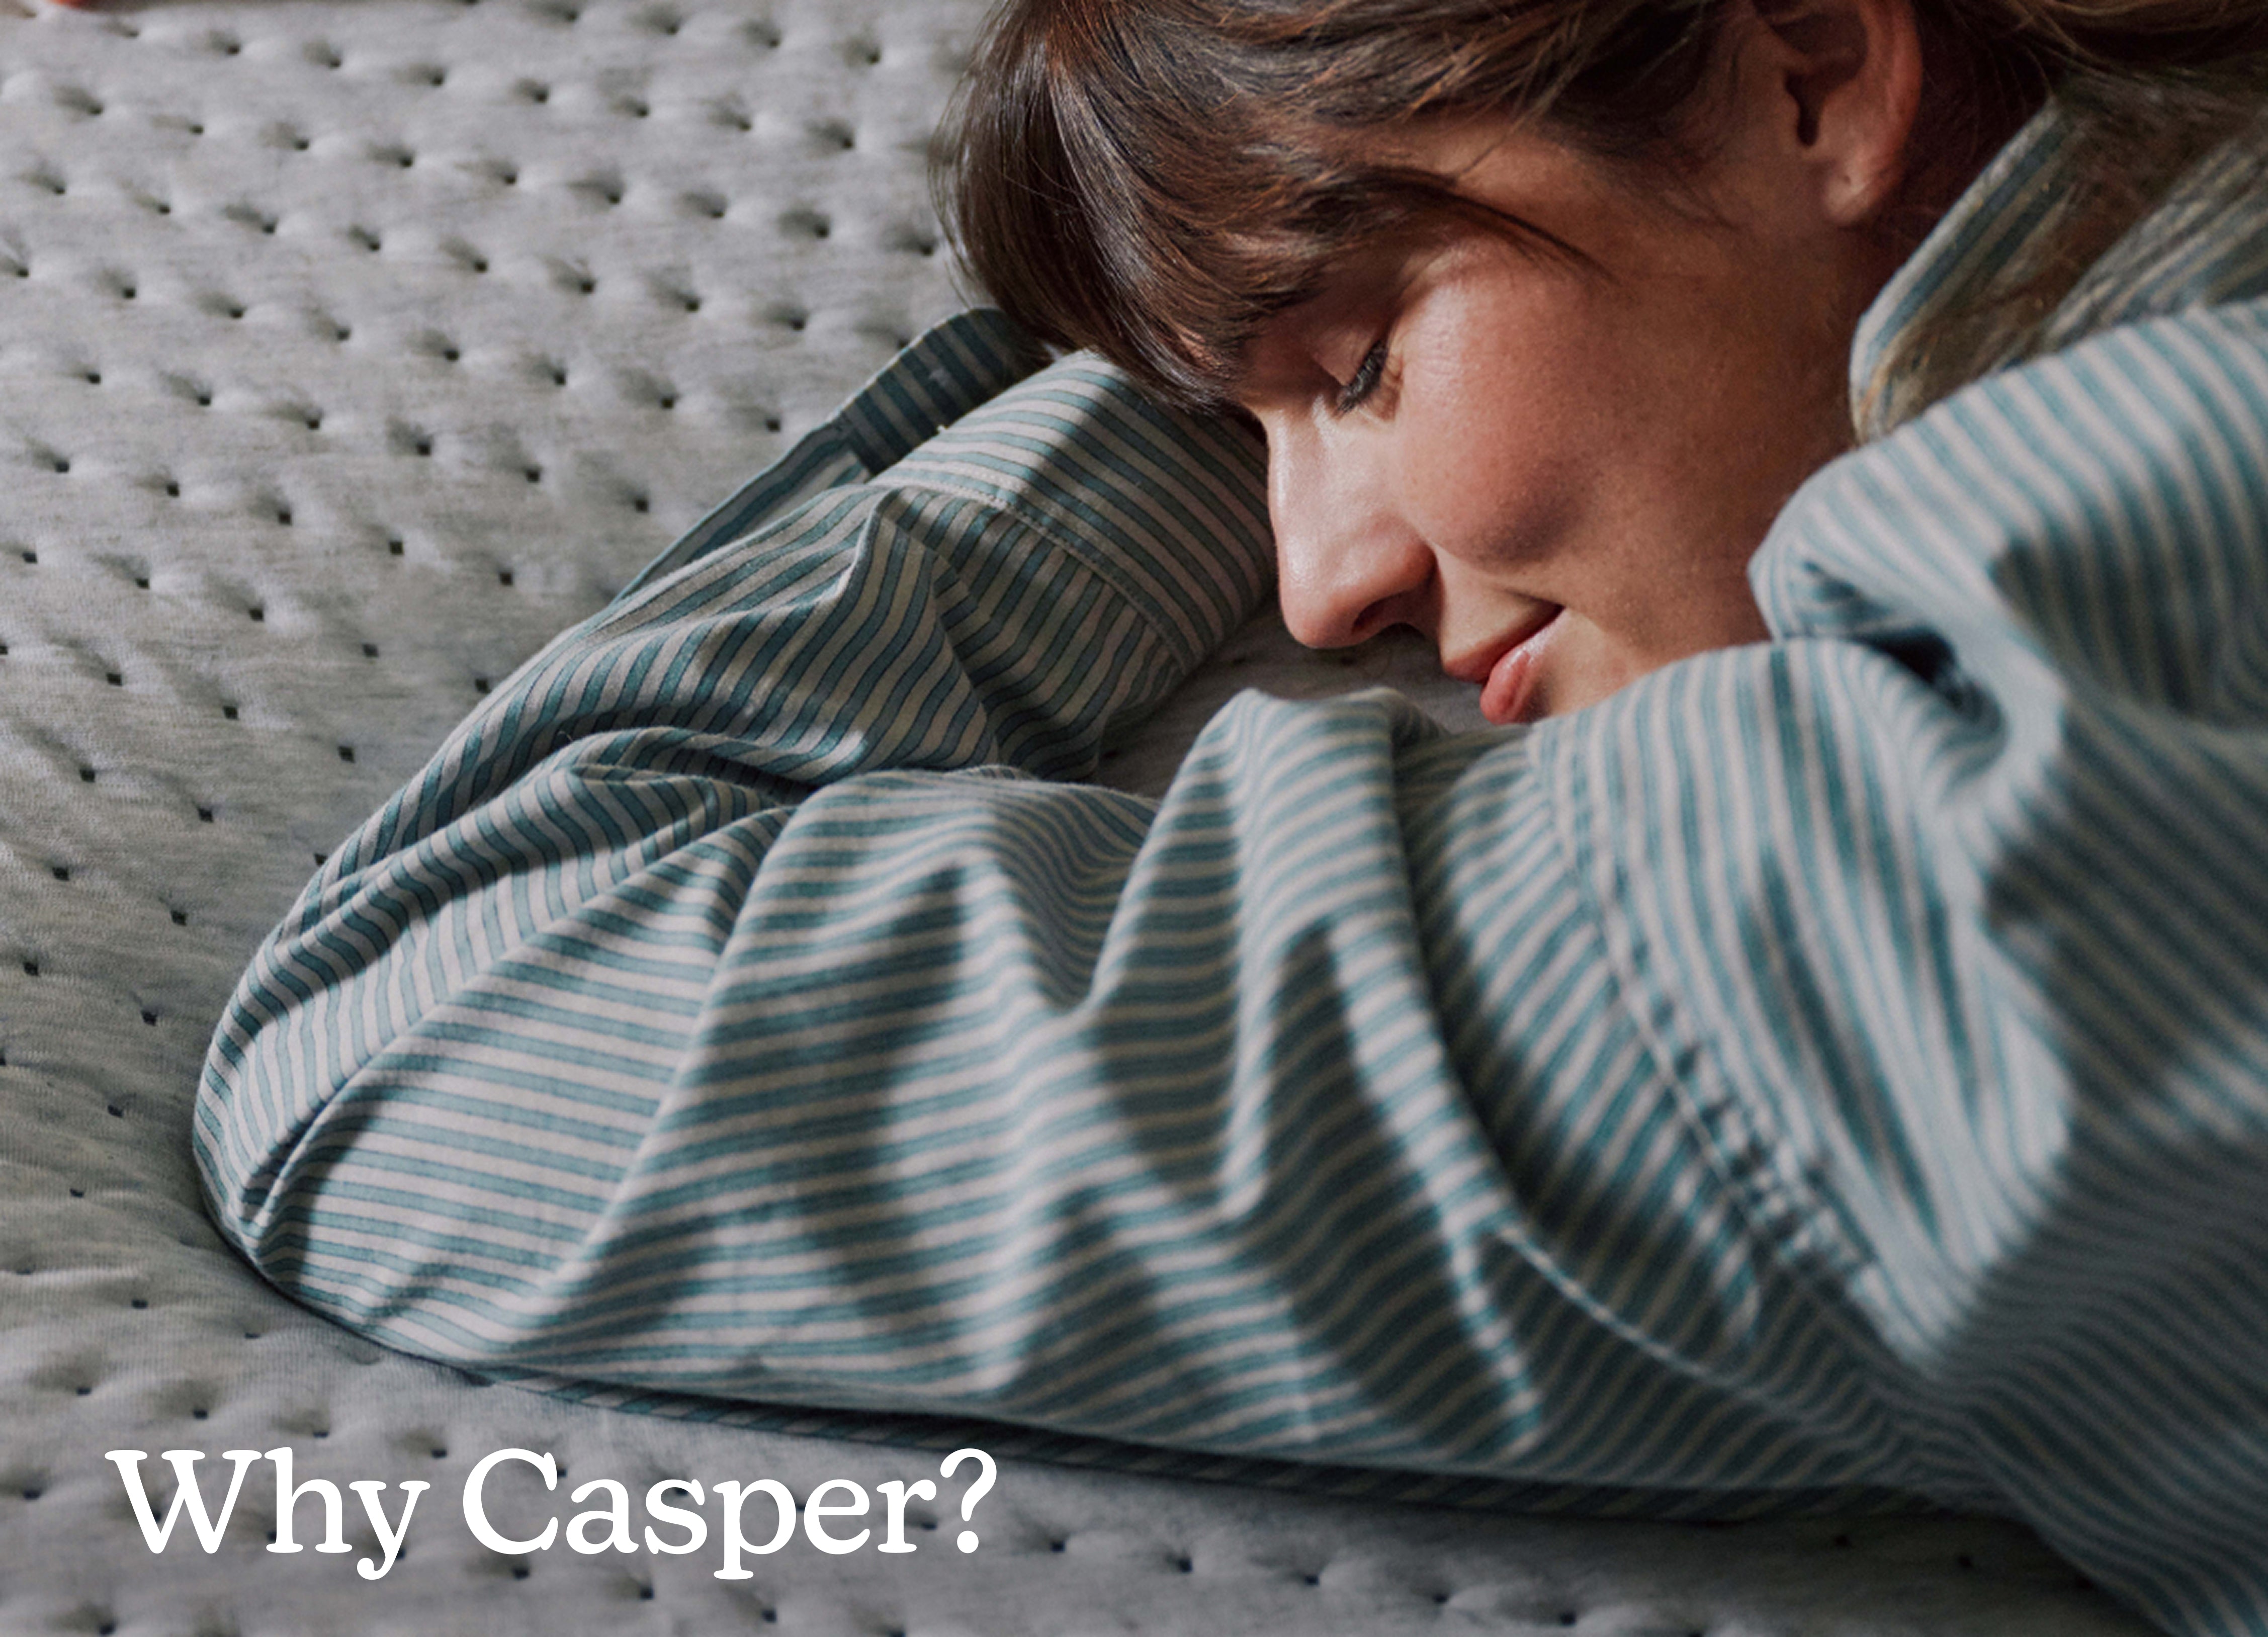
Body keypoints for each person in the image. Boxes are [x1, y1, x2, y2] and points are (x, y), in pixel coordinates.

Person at [196, 1, 2268, 1630]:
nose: (1315, 591)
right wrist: (1233, 289)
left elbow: (429, 1018)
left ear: (1813, 72)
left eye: (1356, 366)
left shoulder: (1987, 818)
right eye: (1242, 432)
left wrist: (1156, 339)